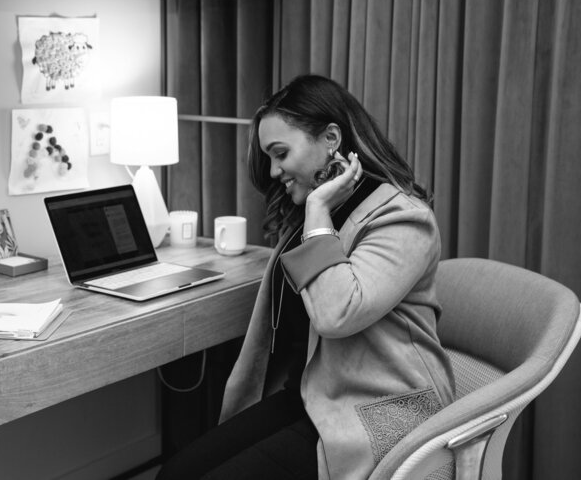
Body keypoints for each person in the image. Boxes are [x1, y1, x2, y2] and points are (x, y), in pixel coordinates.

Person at [156, 74, 455, 480]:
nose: (275, 170)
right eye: (269, 157)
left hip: (382, 411)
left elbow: (336, 315)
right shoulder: (306, 216)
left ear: (331, 138)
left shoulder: (403, 218)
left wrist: (317, 212)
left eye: (280, 153)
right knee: (177, 473)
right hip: (312, 396)